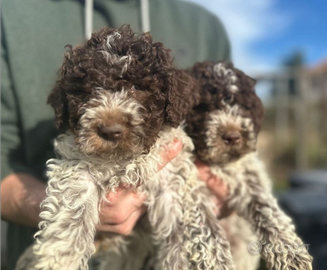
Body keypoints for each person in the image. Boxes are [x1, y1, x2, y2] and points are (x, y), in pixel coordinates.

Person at [1, 0, 231, 269]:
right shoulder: (10, 12)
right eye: (89, 93)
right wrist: (52, 206)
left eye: (137, 90)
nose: (110, 122)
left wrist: (219, 192)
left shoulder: (204, 27)